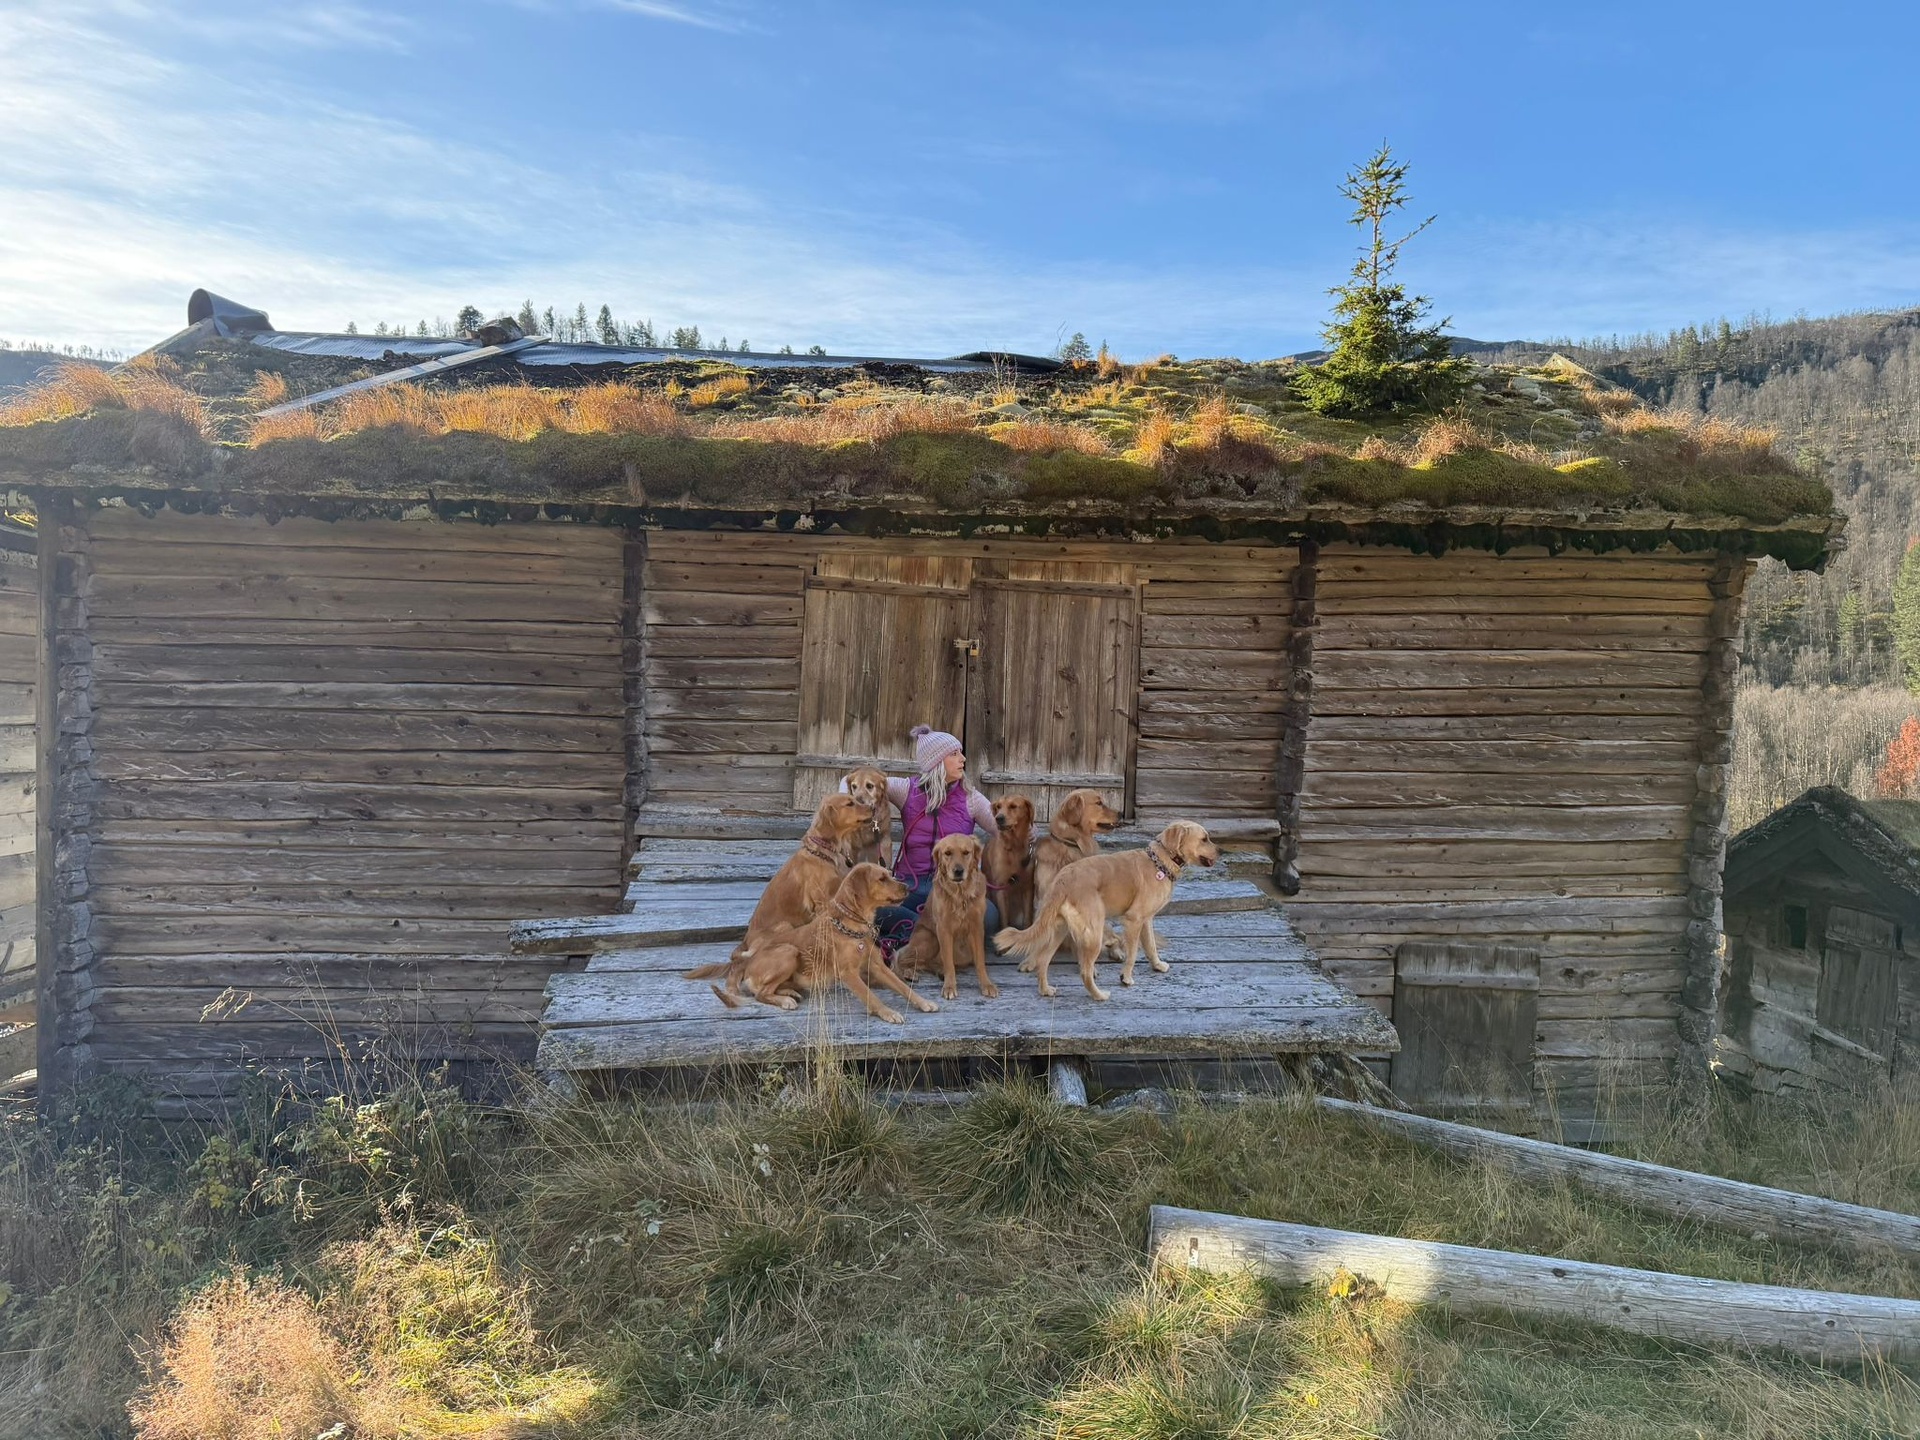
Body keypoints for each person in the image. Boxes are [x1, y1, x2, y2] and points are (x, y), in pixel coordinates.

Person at [860, 724, 1002, 959]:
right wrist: (866, 812)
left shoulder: (971, 799)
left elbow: (1004, 829)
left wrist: (1027, 838)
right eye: (954, 754)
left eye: (960, 753)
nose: (963, 759)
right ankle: (923, 931)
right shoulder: (906, 790)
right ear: (936, 761)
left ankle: (918, 933)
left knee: (990, 917)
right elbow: (850, 781)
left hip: (954, 890)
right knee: (872, 907)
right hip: (909, 886)